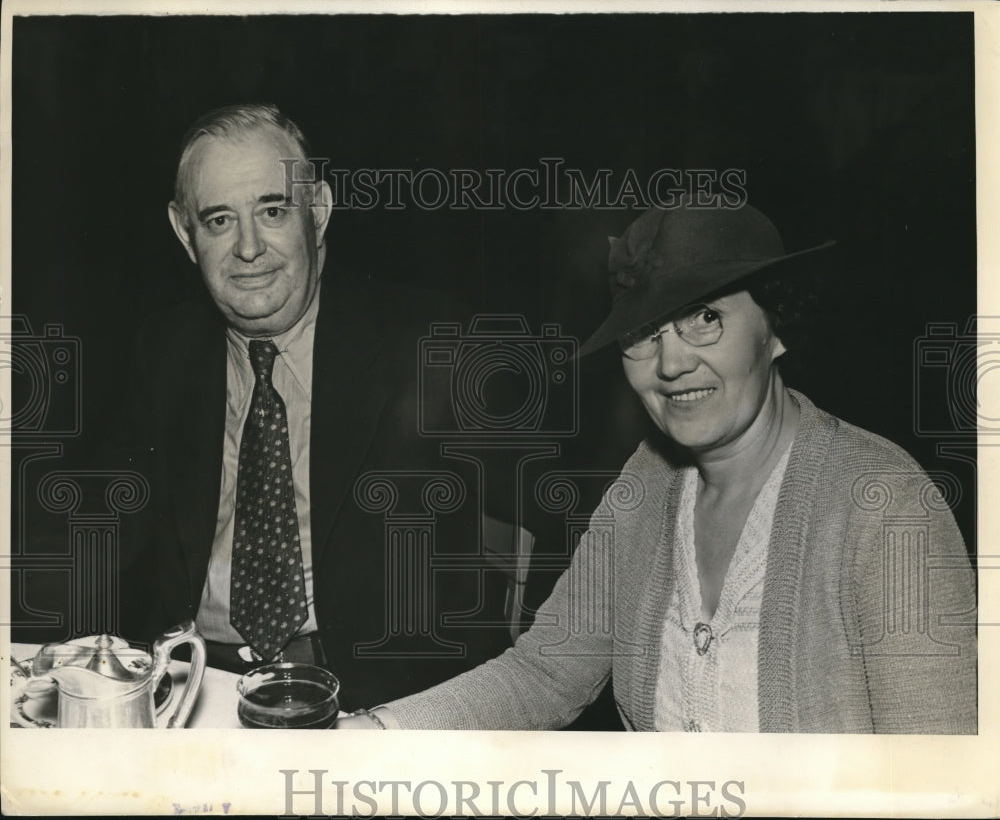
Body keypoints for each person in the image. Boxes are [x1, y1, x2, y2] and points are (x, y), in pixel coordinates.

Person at [338, 201, 977, 733]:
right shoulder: (647, 481)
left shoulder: (885, 504)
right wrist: (377, 733)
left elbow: (937, 776)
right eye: (644, 333)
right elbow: (545, 673)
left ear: (776, 328)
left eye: (706, 319)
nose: (670, 365)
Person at [114, 103, 506, 708]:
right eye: (219, 220)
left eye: (273, 211)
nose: (248, 248)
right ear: (184, 233)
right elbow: (116, 552)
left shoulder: (430, 345)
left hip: (370, 698)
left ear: (317, 211)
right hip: (196, 685)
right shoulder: (162, 352)